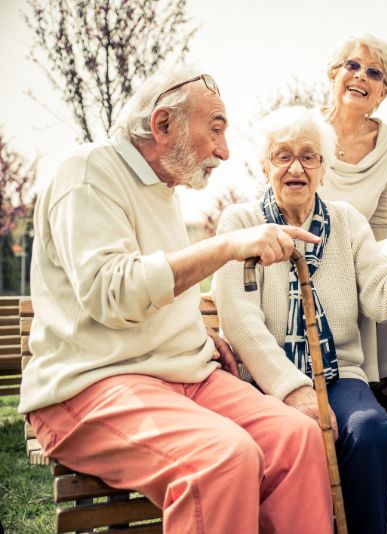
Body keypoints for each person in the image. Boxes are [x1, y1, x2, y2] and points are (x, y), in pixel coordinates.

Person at [18, 68, 334, 534]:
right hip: (90, 385)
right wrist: (228, 246)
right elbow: (113, 293)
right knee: (223, 459)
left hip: (180, 375)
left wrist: (195, 332)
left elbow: (154, 287)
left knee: (297, 437)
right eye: (216, 130)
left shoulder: (164, 190)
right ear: (164, 125)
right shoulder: (86, 173)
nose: (225, 152)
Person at [214, 106, 387, 534]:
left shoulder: (345, 221)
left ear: (323, 169)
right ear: (264, 166)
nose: (296, 167)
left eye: (309, 156)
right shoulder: (242, 223)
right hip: (266, 381)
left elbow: (381, 299)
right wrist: (291, 388)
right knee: (287, 438)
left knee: (370, 429)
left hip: (339, 374)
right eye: (282, 155)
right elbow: (237, 317)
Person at [318, 33, 387, 412]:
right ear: (333, 74)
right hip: (313, 254)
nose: (361, 76)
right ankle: (366, 378)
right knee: (352, 264)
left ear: (383, 93)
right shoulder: (307, 131)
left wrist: (372, 257)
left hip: (361, 248)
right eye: (352, 65)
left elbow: (382, 214)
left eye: (374, 73)